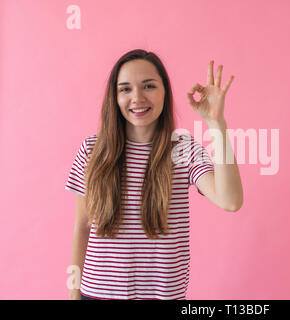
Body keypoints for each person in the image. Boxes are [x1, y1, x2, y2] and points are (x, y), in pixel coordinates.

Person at [65, 49, 243, 300]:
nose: (137, 97)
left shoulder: (184, 149)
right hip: (95, 294)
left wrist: (216, 124)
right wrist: (73, 294)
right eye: (125, 89)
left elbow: (230, 200)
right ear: (114, 98)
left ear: (164, 92)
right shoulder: (92, 149)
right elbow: (81, 228)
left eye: (148, 86)